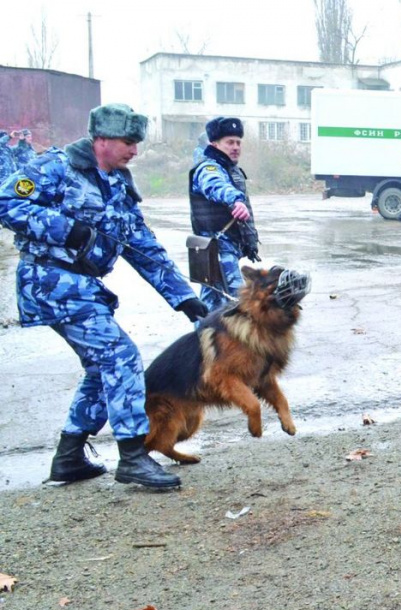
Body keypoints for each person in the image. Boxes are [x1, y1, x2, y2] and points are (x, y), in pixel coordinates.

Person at [0, 103, 209, 489]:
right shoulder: (55, 168)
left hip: (85, 287)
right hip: (51, 282)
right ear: (102, 140)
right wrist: (65, 229)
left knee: (101, 367)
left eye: (136, 143)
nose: (134, 150)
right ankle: (132, 455)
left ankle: (69, 458)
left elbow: (142, 246)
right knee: (120, 355)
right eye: (128, 142)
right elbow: (6, 201)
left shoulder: (117, 184)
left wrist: (183, 298)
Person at [190, 116, 261, 313]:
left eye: (238, 142)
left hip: (221, 250)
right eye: (230, 142)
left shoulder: (229, 168)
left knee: (212, 305)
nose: (236, 147)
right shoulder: (209, 168)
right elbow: (215, 184)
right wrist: (235, 200)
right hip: (217, 250)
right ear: (214, 144)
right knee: (238, 306)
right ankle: (233, 343)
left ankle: (202, 340)